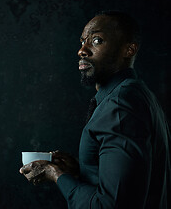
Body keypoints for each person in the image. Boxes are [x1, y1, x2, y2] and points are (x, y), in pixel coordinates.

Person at [20, 11, 171, 209]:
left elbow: (111, 204)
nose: (82, 50)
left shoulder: (120, 105)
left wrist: (56, 175)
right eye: (82, 41)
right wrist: (82, 169)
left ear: (129, 49)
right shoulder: (138, 94)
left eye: (97, 40)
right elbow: (136, 180)